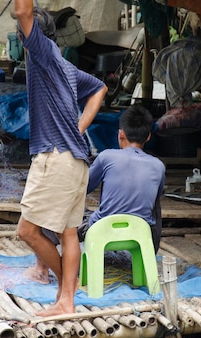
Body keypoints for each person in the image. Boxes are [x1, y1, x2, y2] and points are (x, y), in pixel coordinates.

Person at [14, 0, 107, 317]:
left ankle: (66, 288)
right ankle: (66, 299)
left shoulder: (44, 53)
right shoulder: (64, 65)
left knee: (28, 231)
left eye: (26, 29)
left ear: (37, 33)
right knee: (68, 234)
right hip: (77, 160)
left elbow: (24, 13)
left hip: (57, 158)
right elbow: (99, 87)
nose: (21, 29)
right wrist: (80, 128)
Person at [33, 104, 166, 284]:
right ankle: (147, 254)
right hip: (142, 231)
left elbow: (82, 188)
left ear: (120, 134)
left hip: (102, 228)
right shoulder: (158, 165)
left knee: (52, 210)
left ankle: (41, 270)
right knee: (155, 205)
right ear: (148, 137)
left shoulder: (107, 157)